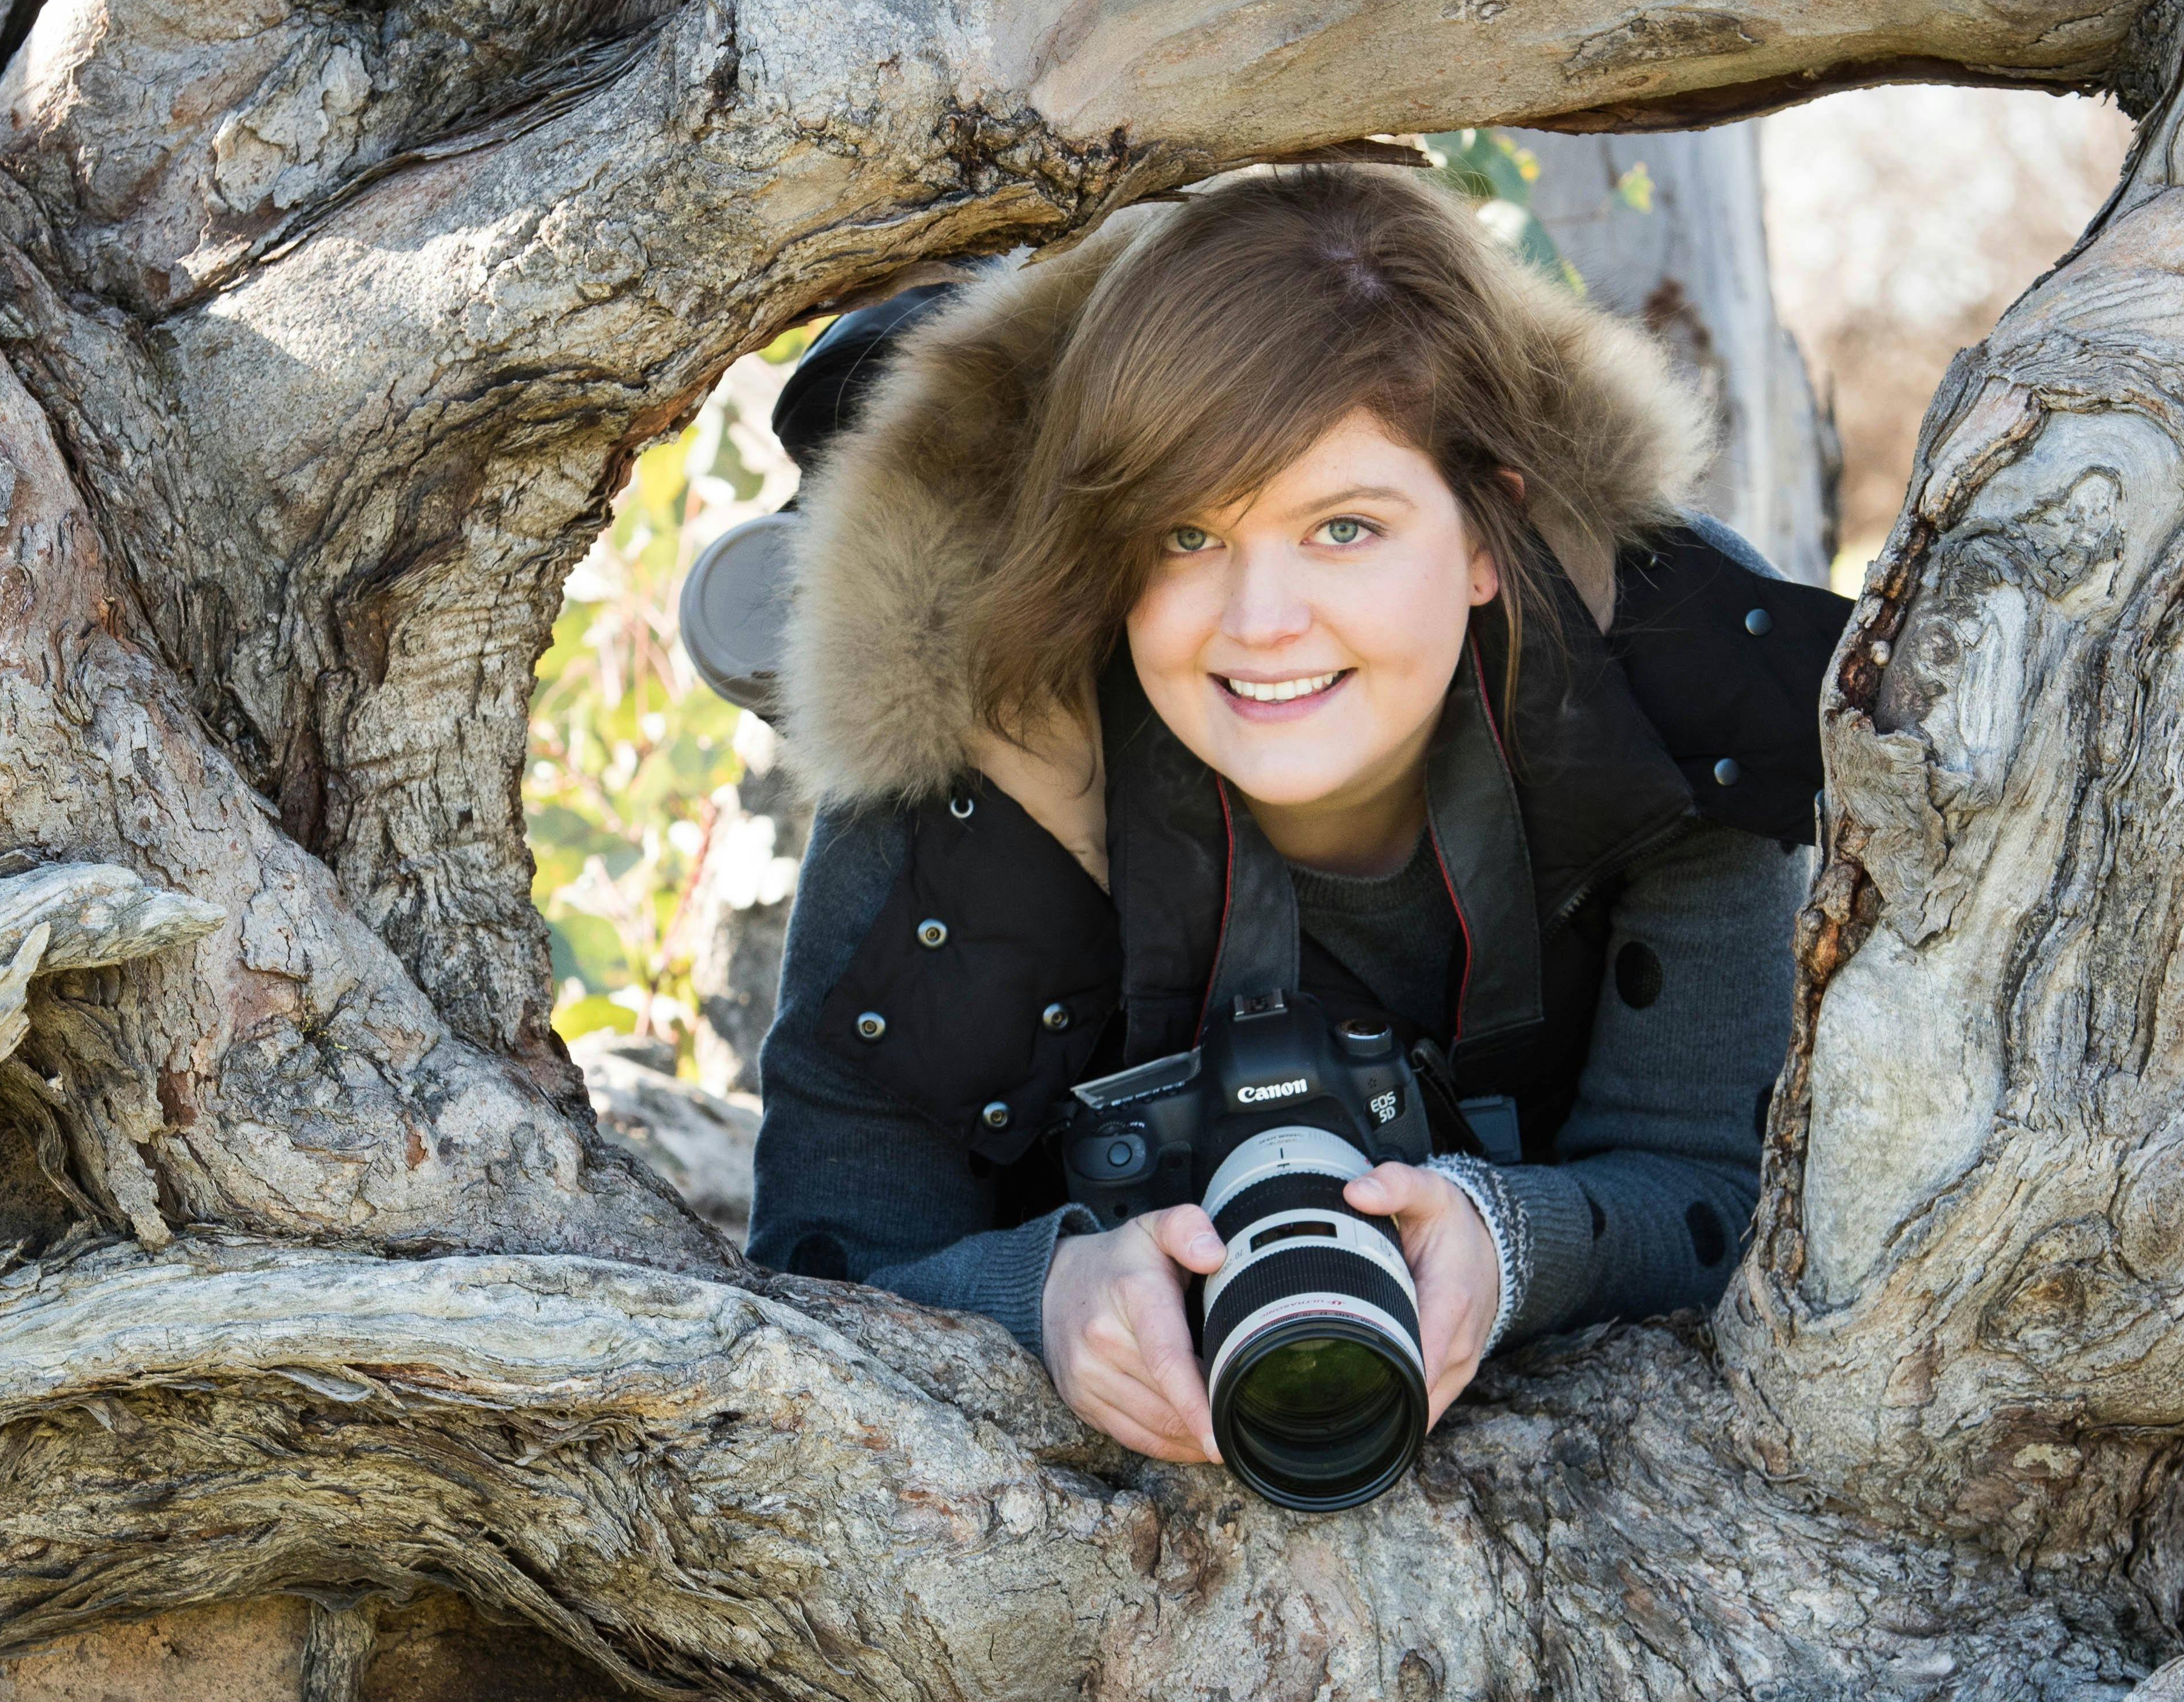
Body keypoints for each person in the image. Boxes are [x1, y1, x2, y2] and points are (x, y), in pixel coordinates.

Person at [740, 163, 1850, 1468]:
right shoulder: (983, 735)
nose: (1261, 624)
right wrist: (1045, 1293)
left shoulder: (1677, 685)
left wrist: (1509, 1242)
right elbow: (822, 1267)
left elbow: (1720, 1182)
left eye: (1342, 527)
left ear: (1494, 527)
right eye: (1188, 536)